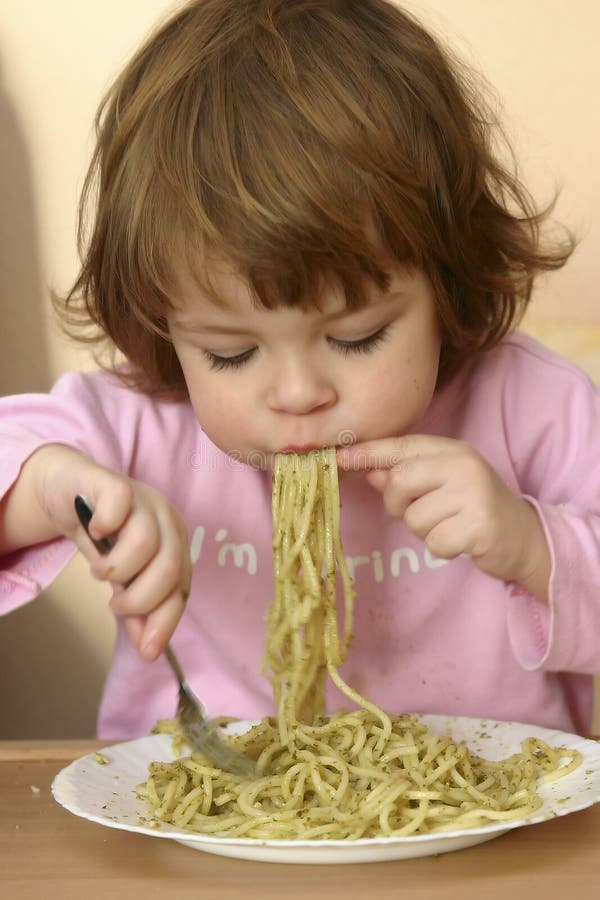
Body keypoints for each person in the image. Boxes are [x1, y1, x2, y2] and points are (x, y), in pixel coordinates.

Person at [1, 0, 598, 741]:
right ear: (163, 325)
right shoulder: (140, 421)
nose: (297, 394)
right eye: (230, 353)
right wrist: (53, 489)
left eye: (357, 337)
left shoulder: (535, 407)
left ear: (448, 283)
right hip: (208, 797)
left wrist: (532, 544)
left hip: (498, 800)